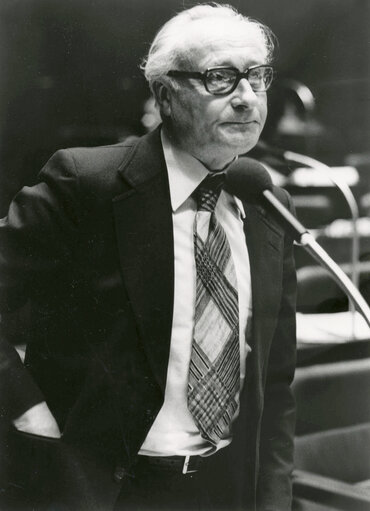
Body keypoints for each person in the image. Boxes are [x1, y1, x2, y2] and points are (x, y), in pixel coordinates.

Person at [0, 3, 297, 511]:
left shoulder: (267, 201)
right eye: (221, 78)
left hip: (226, 487)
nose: (247, 99)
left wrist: (271, 499)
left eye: (258, 77)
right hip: (105, 489)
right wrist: (25, 408)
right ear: (165, 95)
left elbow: (276, 380)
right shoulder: (86, 183)